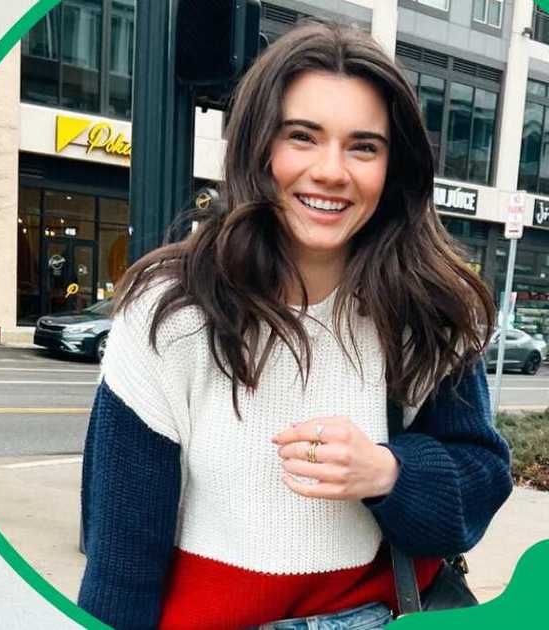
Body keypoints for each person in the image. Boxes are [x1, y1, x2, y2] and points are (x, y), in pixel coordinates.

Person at [77, 21, 512, 630]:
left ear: (394, 167)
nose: (331, 172)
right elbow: (121, 553)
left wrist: (389, 472)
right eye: (302, 137)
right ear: (260, 146)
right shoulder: (169, 311)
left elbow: (482, 479)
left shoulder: (426, 306)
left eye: (364, 146)